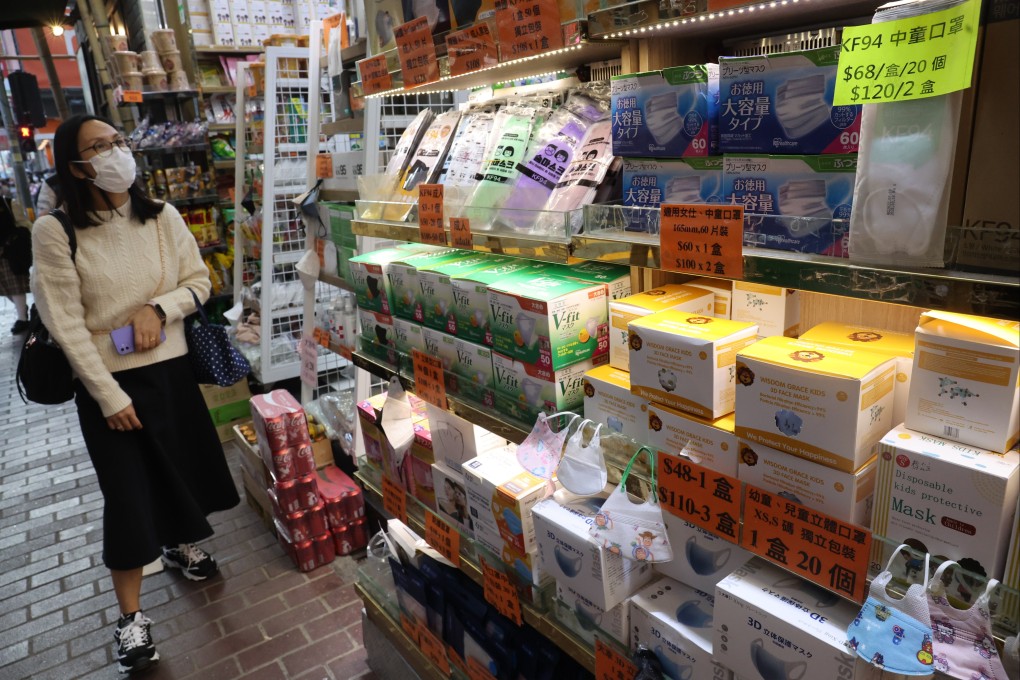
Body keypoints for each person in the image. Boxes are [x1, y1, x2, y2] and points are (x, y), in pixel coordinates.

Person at [31, 114, 240, 675]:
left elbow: (200, 282)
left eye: (119, 141)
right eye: (100, 146)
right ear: (75, 165)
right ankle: (130, 618)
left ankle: (179, 544)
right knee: (126, 498)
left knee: (183, 472)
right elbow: (65, 323)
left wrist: (158, 308)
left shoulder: (162, 216)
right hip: (110, 387)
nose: (117, 152)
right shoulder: (55, 230)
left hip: (170, 373)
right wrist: (107, 396)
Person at [0, 195, 31, 333]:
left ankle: (22, 318)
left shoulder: (8, 203)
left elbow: (23, 224)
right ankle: (22, 311)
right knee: (5, 287)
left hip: (10, 251)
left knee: (16, 285)